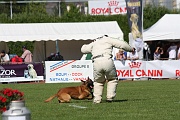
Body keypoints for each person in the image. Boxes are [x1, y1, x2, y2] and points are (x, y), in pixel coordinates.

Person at [81, 35, 134, 104]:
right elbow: (122, 44)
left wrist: (92, 44)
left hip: (96, 62)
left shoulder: (95, 42)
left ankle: (97, 99)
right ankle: (110, 97)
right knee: (112, 79)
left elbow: (83, 49)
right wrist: (130, 49)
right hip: (107, 60)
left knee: (98, 81)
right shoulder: (109, 39)